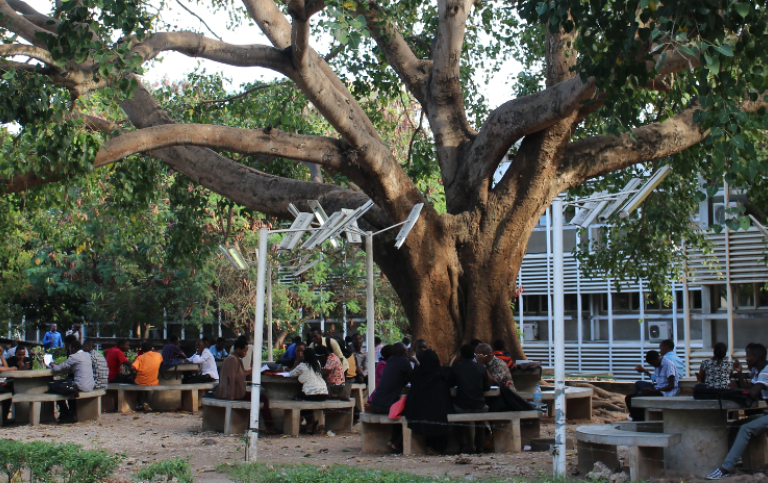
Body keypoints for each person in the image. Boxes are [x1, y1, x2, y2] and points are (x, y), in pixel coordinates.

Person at [706, 343, 768, 480]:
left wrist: (735, 390)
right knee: (736, 426)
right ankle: (730, 462)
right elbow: (749, 388)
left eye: (748, 357)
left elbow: (752, 393)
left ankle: (725, 468)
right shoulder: (758, 371)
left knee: (746, 428)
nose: (746, 360)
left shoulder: (766, 371)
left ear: (756, 357)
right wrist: (739, 373)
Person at [214, 338, 277, 433]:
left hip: (230, 391)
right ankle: (269, 426)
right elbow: (235, 377)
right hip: (233, 393)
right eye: (244, 351)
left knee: (260, 396)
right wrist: (253, 371)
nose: (246, 354)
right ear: (238, 349)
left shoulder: (230, 358)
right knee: (263, 399)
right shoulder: (233, 360)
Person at [404, 349, 451, 455]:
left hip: (420, 412)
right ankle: (438, 448)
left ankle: (429, 446)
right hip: (439, 412)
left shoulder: (417, 373)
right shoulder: (441, 373)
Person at [450, 343, 491, 454]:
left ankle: (463, 445)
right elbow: (487, 387)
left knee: (457, 417)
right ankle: (480, 447)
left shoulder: (457, 368)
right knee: (480, 422)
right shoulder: (481, 368)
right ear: (474, 355)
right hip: (479, 405)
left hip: (462, 406)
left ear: (461, 355)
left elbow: (450, 383)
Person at [371, 343, 412, 452]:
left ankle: (393, 440)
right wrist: (415, 362)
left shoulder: (389, 362)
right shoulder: (404, 361)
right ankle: (397, 442)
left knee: (399, 407)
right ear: (403, 353)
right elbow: (413, 378)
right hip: (386, 407)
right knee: (411, 411)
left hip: (375, 404)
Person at [626, 350, 679, 421]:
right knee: (637, 390)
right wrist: (645, 372)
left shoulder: (668, 364)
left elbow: (671, 385)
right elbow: (656, 380)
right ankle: (637, 416)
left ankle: (638, 419)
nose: (653, 366)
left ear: (656, 359)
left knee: (630, 398)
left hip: (665, 393)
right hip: (658, 389)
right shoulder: (657, 365)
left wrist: (654, 390)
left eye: (653, 363)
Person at [49, 340, 95, 422]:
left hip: (80, 386)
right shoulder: (87, 355)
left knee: (53, 387)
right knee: (68, 387)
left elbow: (57, 369)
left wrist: (52, 364)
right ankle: (71, 413)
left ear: (73, 349)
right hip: (90, 385)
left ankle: (65, 412)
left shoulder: (74, 357)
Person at [287, 346, 328, 434]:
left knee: (298, 401)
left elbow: (291, 374)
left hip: (311, 393)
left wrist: (298, 361)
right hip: (324, 393)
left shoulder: (302, 365)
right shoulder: (317, 363)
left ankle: (310, 422)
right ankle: (311, 422)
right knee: (305, 400)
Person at [132, 341, 163, 412]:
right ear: (152, 348)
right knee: (150, 389)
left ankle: (140, 404)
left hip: (140, 381)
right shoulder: (158, 355)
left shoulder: (140, 357)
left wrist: (132, 375)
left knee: (140, 389)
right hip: (152, 381)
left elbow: (133, 367)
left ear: (142, 350)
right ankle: (146, 403)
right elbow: (162, 362)